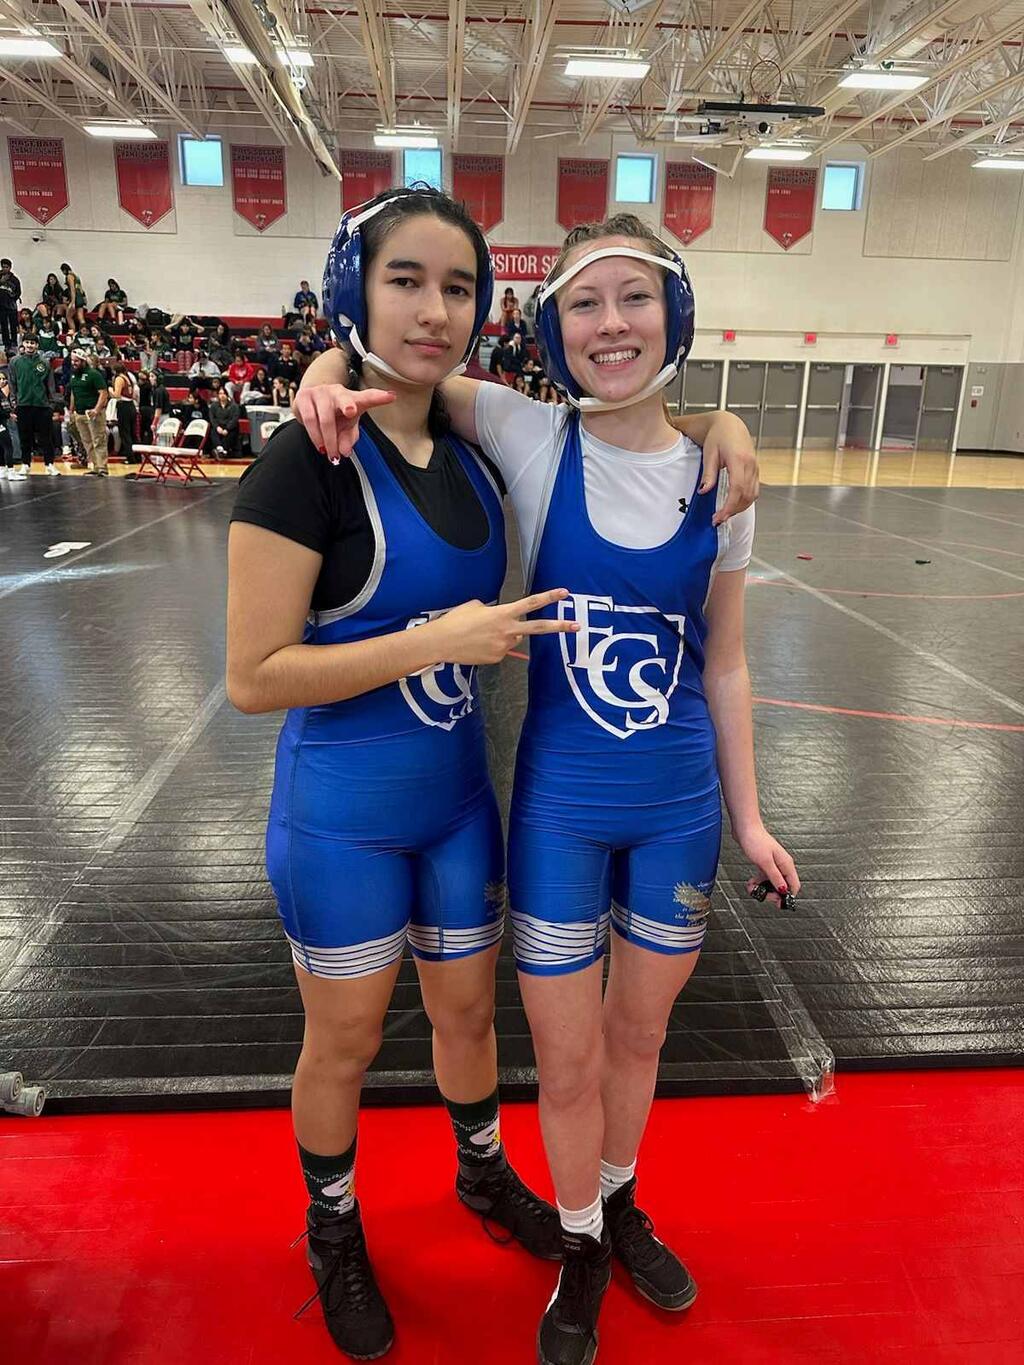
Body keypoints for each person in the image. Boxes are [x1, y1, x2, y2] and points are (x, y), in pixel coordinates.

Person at [292, 213, 773, 1365]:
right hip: (560, 809)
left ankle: (618, 1200)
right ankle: (580, 1246)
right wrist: (319, 363)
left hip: (679, 810)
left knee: (639, 1037)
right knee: (562, 1059)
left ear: (674, 312)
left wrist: (753, 820)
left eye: (634, 297)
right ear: (554, 328)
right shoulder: (523, 431)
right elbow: (400, 361)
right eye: (585, 303)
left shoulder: (722, 475)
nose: (611, 324)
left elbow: (726, 662)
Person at [227, 186, 593, 1359]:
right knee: (341, 1043)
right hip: (343, 820)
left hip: (454, 808)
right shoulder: (307, 459)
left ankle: (479, 1172)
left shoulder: (475, 446)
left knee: (469, 1014)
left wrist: (727, 432)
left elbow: (624, 424)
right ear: (355, 291)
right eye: (406, 281)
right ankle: (333, 1228)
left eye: (458, 287)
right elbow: (253, 677)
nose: (435, 310)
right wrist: (435, 642)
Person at [9, 336, 59, 474]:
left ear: (37, 345)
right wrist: (14, 403)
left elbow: (51, 385)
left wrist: (51, 405)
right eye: (27, 342)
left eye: (33, 343)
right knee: (24, 437)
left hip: (42, 405)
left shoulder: (45, 362)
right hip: (23, 405)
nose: (30, 345)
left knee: (46, 437)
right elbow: (12, 383)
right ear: (23, 344)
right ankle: (26, 464)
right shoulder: (15, 361)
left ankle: (49, 464)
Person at [68, 350, 110, 476]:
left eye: (76, 361)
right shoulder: (73, 375)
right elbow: (73, 393)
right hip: (79, 413)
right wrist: (71, 410)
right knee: (87, 441)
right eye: (72, 360)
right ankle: (96, 466)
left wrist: (97, 409)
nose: (73, 363)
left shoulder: (94, 374)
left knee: (98, 440)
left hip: (92, 412)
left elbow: (103, 393)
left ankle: (102, 467)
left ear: (83, 361)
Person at [111, 361, 138, 464]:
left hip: (124, 406)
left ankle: (130, 458)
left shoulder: (119, 378)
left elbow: (117, 395)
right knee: (132, 433)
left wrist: (110, 390)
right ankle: (137, 456)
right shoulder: (128, 377)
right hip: (131, 405)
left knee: (125, 433)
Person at [0, 367, 25, 479]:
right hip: (0, 422)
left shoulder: (1, 392)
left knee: (1, 446)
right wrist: (9, 415)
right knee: (8, 445)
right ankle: (11, 471)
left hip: (3, 420)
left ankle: (2, 469)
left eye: (3, 379)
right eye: (0, 379)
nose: (3, 381)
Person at [211, 387, 241, 458]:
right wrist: (217, 427)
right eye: (220, 393)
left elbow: (234, 419)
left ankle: (222, 451)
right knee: (213, 431)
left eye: (224, 393)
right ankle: (220, 449)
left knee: (231, 432)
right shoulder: (214, 406)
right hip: (219, 426)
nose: (222, 395)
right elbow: (212, 418)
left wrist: (227, 429)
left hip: (230, 427)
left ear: (227, 395)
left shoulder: (234, 406)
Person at [0, 258, 20, 354]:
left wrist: (13, 298)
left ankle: (14, 342)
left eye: (6, 267)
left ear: (10, 267)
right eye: (3, 267)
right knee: (4, 325)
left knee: (13, 324)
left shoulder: (14, 280)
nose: (5, 269)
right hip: (1, 306)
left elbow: (18, 292)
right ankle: (6, 344)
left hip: (11, 305)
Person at [61, 263, 87, 327]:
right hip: (80, 298)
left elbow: (72, 289)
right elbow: (81, 289)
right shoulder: (76, 276)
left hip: (75, 298)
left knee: (68, 316)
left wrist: (72, 302)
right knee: (80, 317)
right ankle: (85, 330)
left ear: (64, 270)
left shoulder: (69, 276)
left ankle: (72, 331)